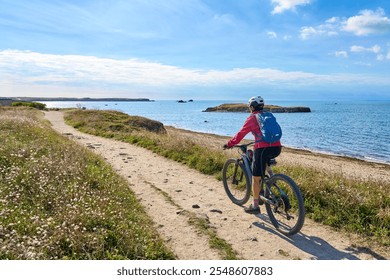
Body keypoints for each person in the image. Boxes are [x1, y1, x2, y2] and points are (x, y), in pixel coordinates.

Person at [223, 96, 282, 214]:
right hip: (277, 147)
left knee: (256, 178)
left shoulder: (252, 118)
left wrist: (229, 144)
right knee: (264, 163)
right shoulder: (268, 115)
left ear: (251, 107)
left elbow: (240, 134)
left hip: (262, 149)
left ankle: (255, 206)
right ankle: (272, 181)